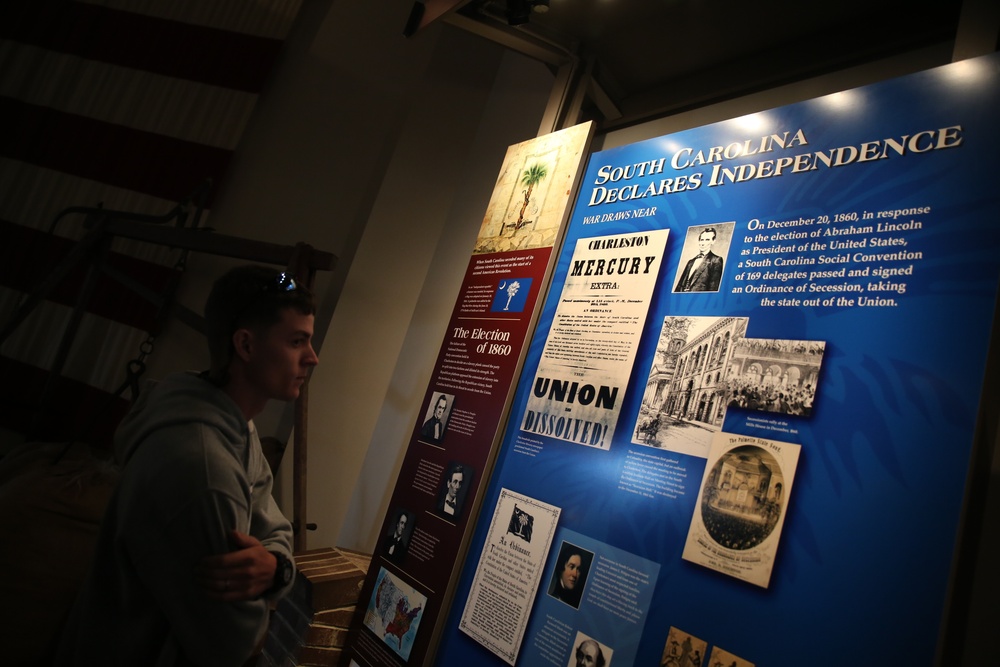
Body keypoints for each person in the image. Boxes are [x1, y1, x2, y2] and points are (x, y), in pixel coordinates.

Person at [55, 265, 319, 666]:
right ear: (245, 346)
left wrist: (276, 569)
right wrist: (271, 588)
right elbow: (232, 641)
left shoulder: (234, 422)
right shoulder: (203, 470)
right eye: (297, 341)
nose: (312, 358)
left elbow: (276, 528)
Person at [676, 227, 724, 292]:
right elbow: (679, 286)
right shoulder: (691, 262)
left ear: (713, 241)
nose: (703, 243)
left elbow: (713, 289)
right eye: (701, 239)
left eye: (707, 240)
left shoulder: (716, 260)